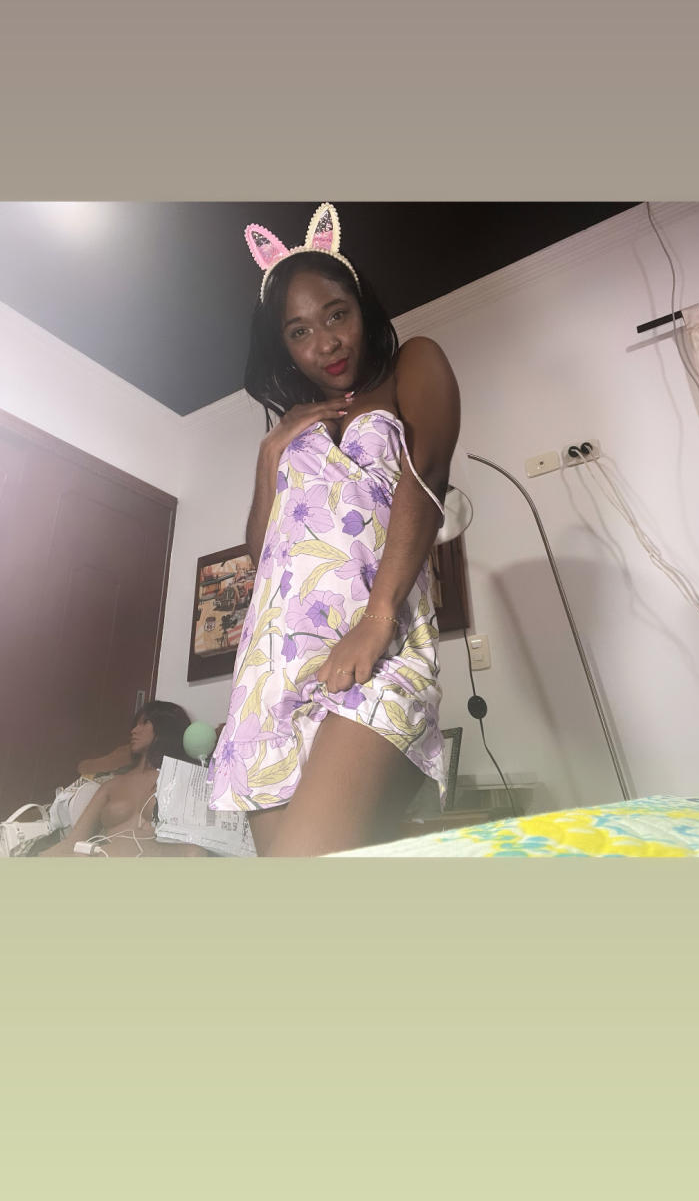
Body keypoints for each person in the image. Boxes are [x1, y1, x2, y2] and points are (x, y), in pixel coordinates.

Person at [207, 203, 460, 856]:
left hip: (375, 645)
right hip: (271, 670)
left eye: (336, 315)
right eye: (300, 331)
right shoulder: (291, 429)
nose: (325, 342)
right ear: (284, 347)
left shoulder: (413, 365)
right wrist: (270, 454)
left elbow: (426, 476)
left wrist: (377, 619)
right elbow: (265, 554)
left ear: (362, 309)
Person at [39, 699, 207, 857]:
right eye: (135, 725)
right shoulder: (111, 785)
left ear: (166, 726)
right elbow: (73, 842)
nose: (134, 730)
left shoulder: (183, 780)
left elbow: (197, 845)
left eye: (144, 722)